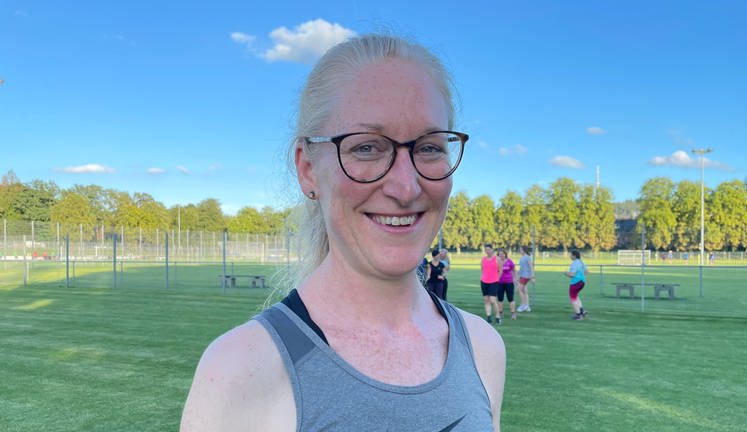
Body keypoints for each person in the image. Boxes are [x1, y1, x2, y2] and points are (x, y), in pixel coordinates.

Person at [181, 34, 505, 431]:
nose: (406, 188)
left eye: (429, 147)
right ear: (308, 169)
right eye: (367, 148)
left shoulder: (483, 349)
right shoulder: (243, 369)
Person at [480, 244, 502, 325]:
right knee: (486, 300)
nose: (487, 251)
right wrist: (484, 277)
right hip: (484, 281)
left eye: (489, 249)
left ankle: (498, 316)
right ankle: (489, 317)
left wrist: (497, 279)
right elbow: (482, 269)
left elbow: (500, 270)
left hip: (494, 282)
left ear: (492, 250)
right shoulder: (483, 259)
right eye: (486, 250)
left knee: (493, 300)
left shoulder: (497, 259)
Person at [564, 249, 588, 320]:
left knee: (573, 298)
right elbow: (587, 272)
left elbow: (572, 274)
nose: (570, 256)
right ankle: (582, 311)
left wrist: (566, 273)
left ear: (574, 256)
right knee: (576, 296)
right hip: (582, 282)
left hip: (575, 283)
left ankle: (578, 315)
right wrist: (580, 276)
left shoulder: (574, 263)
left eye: (570, 255)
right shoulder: (581, 262)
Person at [496, 249, 517, 321]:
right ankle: (500, 313)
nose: (501, 255)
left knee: (510, 298)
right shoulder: (497, 262)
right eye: (499, 254)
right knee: (500, 299)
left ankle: (513, 313)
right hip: (499, 283)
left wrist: (515, 279)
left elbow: (514, 270)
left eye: (502, 254)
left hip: (509, 282)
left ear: (505, 254)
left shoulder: (509, 261)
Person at [516, 246, 534, 312]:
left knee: (519, 290)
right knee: (524, 291)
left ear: (524, 250)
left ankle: (523, 305)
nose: (519, 251)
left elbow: (531, 266)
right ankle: (527, 305)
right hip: (522, 275)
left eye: (520, 249)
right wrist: (518, 275)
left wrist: (532, 276)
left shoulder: (527, 257)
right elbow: (521, 267)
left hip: (526, 276)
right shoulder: (521, 258)